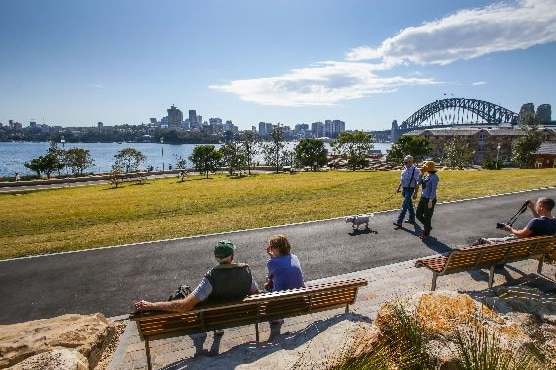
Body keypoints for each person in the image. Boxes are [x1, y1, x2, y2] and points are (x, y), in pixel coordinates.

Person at [133, 240, 260, 315]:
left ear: (217, 258)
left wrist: (152, 305)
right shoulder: (246, 270)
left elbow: (184, 306)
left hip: (215, 318)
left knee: (185, 293)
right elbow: (256, 293)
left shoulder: (211, 278)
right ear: (232, 256)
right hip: (243, 314)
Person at [478, 197, 556, 244]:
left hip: (521, 245)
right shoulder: (553, 221)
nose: (535, 206)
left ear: (542, 208)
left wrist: (510, 228)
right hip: (537, 248)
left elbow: (521, 235)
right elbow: (541, 219)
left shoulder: (536, 222)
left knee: (483, 241)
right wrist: (532, 209)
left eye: (537, 205)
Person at [414, 161, 439, 239]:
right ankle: (428, 226)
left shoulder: (434, 177)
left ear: (429, 168)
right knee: (418, 214)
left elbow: (433, 190)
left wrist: (431, 200)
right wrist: (421, 173)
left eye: (425, 167)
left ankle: (426, 233)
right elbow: (418, 183)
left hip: (429, 199)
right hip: (423, 198)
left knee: (427, 217)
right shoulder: (426, 175)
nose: (423, 167)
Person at [393, 155, 419, 227]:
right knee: (409, 204)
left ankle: (399, 221)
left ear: (411, 162)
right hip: (404, 189)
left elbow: (417, 182)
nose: (404, 163)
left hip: (410, 189)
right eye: (404, 162)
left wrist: (415, 193)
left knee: (404, 205)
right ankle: (412, 218)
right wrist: (398, 188)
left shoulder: (415, 170)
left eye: (406, 162)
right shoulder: (404, 169)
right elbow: (402, 180)